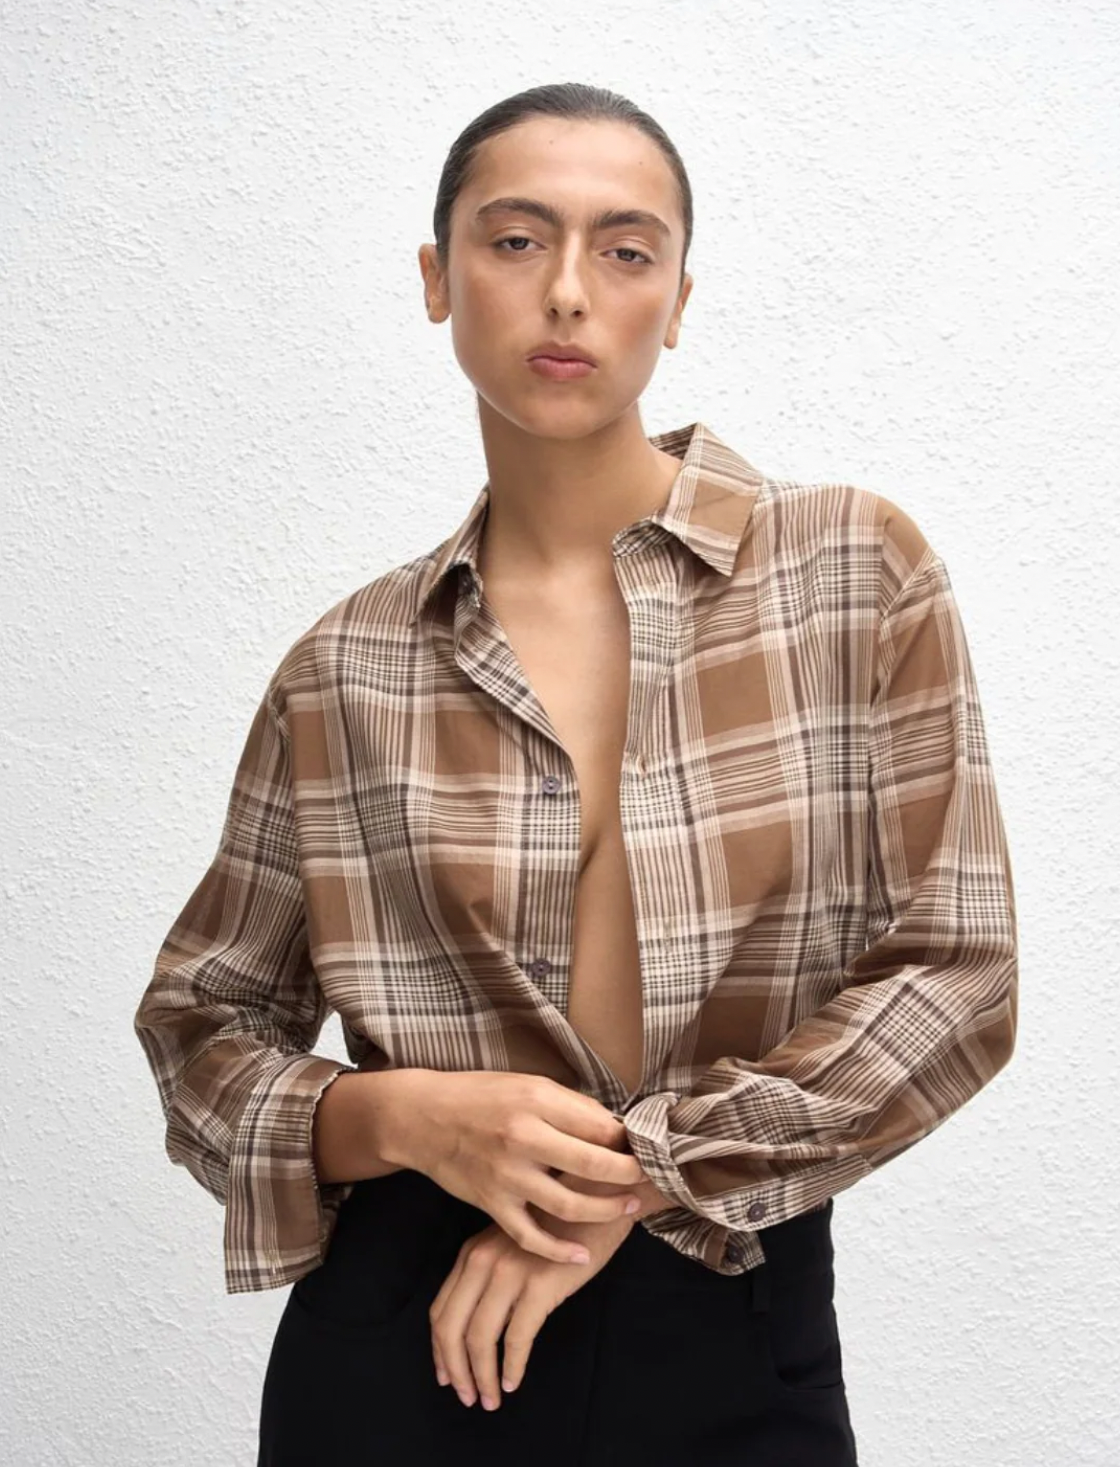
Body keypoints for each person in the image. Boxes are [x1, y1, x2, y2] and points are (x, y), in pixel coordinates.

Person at [133, 82, 1019, 1467]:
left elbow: (960, 970)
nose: (566, 291)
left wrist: (643, 1174)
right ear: (437, 278)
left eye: (624, 249)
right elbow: (202, 1027)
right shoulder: (345, 667)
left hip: (732, 1305)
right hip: (409, 1330)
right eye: (514, 239)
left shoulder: (853, 573)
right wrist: (400, 1116)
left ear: (678, 298)